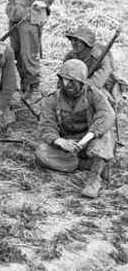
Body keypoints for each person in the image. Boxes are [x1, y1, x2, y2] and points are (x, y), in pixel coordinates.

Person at [35, 59, 115, 199]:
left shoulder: (93, 94)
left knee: (106, 131)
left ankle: (95, 179)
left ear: (81, 82)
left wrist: (87, 138)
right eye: (65, 80)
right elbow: (46, 126)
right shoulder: (53, 99)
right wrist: (59, 141)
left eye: (73, 81)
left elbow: (107, 114)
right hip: (68, 145)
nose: (68, 85)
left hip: (90, 140)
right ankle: (88, 164)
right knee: (41, 153)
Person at [63, 26, 124, 108]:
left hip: (101, 88)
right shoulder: (70, 56)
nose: (73, 43)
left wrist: (78, 87)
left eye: (77, 40)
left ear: (87, 43)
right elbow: (62, 79)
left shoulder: (102, 57)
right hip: (78, 88)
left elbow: (97, 82)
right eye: (72, 39)